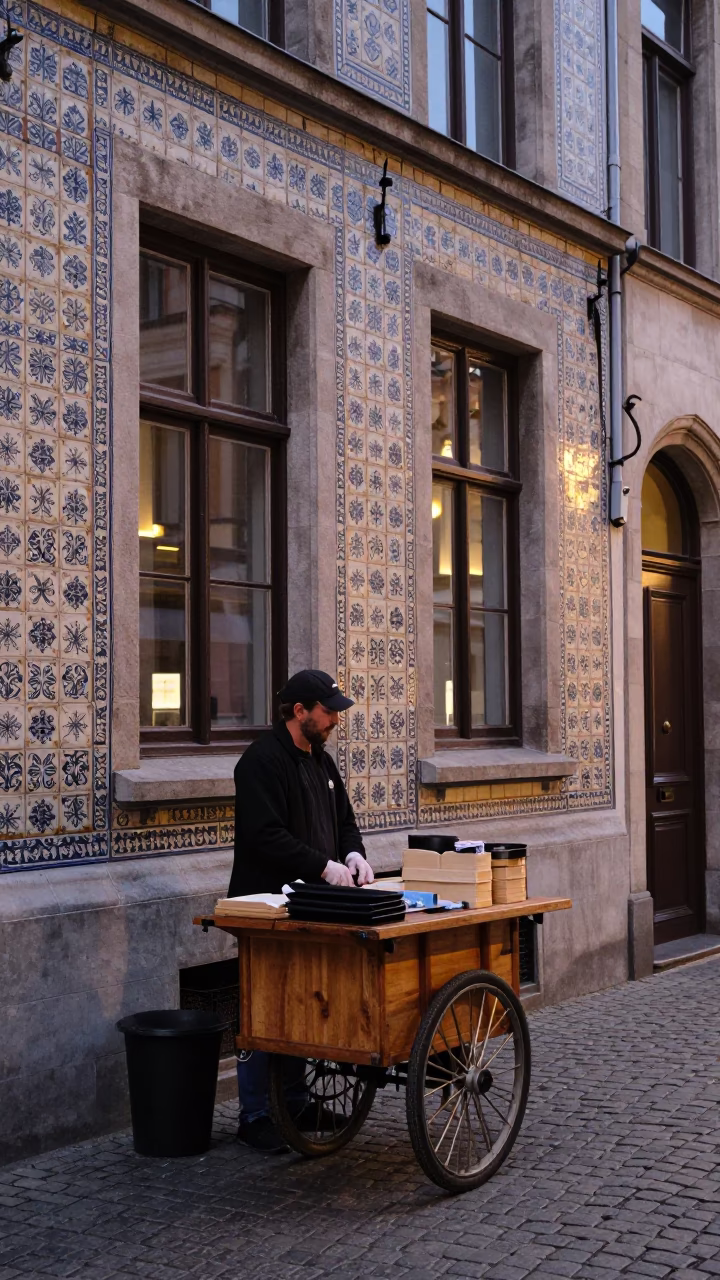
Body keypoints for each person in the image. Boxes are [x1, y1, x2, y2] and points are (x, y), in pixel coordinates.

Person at [230, 668, 374, 1151]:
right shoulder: (260, 761)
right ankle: (254, 1115)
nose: (335, 719)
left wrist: (353, 855)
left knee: (303, 1003)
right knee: (261, 1007)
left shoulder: (323, 761)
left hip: (315, 905)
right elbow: (265, 835)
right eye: (328, 711)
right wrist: (322, 865)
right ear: (299, 712)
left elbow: (346, 822)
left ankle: (295, 1099)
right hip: (266, 906)